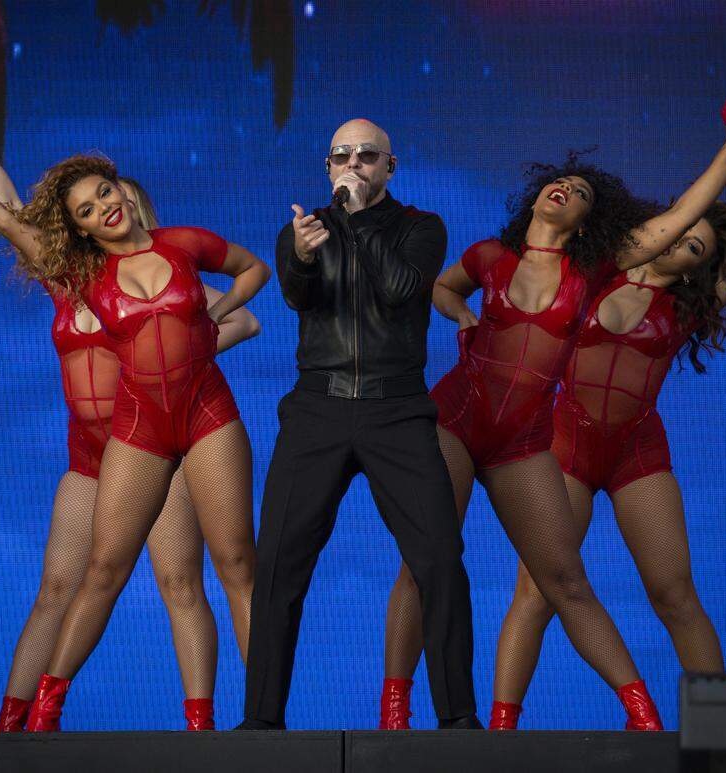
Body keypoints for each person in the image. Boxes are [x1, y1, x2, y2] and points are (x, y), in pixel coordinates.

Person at [380, 90, 726, 731]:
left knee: (565, 581)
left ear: (590, 221)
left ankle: (645, 717)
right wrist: (462, 313)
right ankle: (398, 710)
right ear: (535, 196)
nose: (565, 187)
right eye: (558, 181)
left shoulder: (596, 273)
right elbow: (443, 286)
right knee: (429, 557)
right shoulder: (491, 258)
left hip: (527, 442)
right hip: (457, 419)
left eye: (580, 190)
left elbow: (686, 220)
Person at [486, 104, 726, 729]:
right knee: (536, 593)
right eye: (680, 230)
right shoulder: (595, 273)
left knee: (674, 594)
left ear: (699, 266)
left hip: (636, 453)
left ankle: (724, 721)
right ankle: (502, 727)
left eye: (697, 246)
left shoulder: (686, 310)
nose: (682, 241)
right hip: (565, 445)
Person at [0, 120, 270, 731]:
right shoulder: (69, 279)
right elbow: (4, 209)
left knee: (186, 581)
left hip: (167, 436)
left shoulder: (174, 265)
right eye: (90, 204)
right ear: (75, 225)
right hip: (96, 452)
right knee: (65, 586)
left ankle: (206, 723)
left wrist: (193, 348)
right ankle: (17, 719)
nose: (108, 206)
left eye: (113, 195)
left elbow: (242, 316)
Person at [239, 119, 481, 730]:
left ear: (389, 167)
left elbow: (402, 289)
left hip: (396, 408)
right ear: (326, 167)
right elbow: (297, 296)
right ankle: (261, 722)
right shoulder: (304, 230)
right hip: (317, 407)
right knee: (278, 565)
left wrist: (353, 220)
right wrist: (300, 253)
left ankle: (458, 721)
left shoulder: (421, 228)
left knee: (439, 559)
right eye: (341, 156)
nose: (353, 165)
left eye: (367, 156)